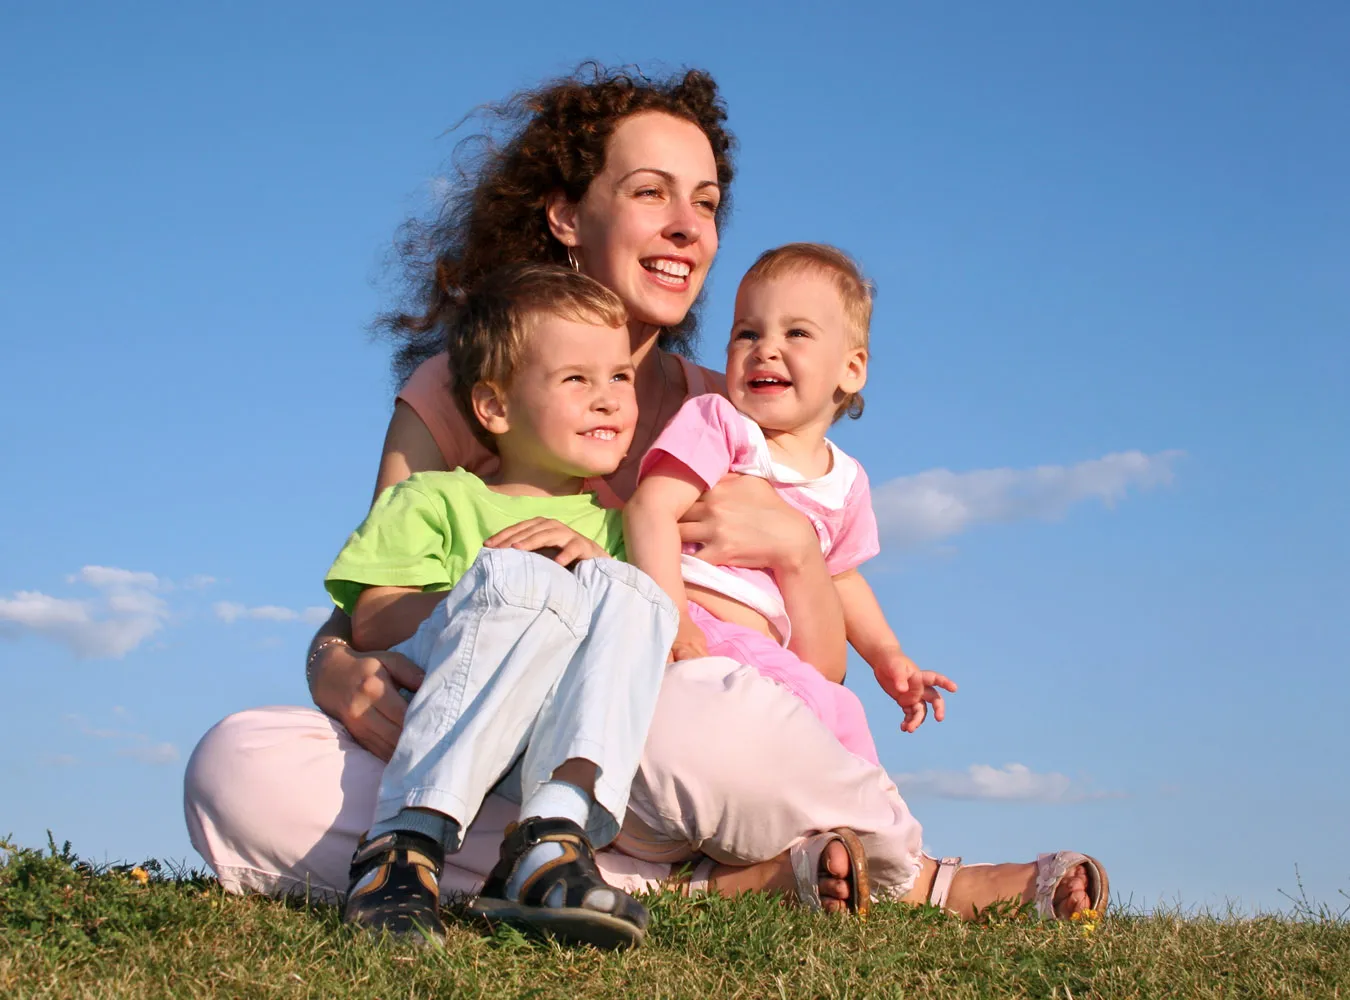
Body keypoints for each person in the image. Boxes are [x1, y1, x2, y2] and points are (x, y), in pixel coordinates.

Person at [184, 65, 1108, 925]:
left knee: (697, 718)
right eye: (650, 193)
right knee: (240, 767)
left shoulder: (735, 410)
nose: (687, 228)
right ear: (566, 216)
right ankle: (678, 882)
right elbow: (374, 598)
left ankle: (914, 877)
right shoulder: (465, 389)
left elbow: (804, 675)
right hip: (476, 724)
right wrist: (333, 668)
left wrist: (793, 549)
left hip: (660, 738)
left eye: (704, 203)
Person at [326, 264, 675, 947]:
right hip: (446, 701)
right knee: (526, 581)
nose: (607, 400)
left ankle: (549, 840)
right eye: (576, 379)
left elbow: (641, 654)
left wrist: (591, 570)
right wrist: (492, 591)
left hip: (547, 732)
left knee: (634, 593)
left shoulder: (621, 529)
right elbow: (372, 620)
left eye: (619, 377)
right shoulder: (434, 498)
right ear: (495, 407)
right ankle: (402, 844)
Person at [625, 242, 953, 767]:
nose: (765, 349)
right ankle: (864, 815)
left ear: (852, 369)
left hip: (766, 654)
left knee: (837, 719)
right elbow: (650, 508)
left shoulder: (846, 480)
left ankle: (862, 816)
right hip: (703, 626)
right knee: (829, 726)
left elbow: (842, 578)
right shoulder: (721, 424)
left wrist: (886, 655)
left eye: (796, 333)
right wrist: (672, 616)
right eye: (747, 333)